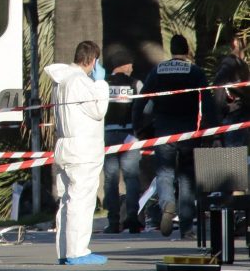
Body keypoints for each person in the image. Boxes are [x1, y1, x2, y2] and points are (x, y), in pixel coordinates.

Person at [132, 34, 216, 240]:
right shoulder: (194, 71)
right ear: (187, 50)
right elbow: (207, 100)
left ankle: (167, 203)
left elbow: (142, 100)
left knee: (164, 173)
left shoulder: (158, 71)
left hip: (163, 132)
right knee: (187, 177)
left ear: (171, 50)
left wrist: (138, 127)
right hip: (188, 132)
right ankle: (186, 228)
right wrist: (213, 130)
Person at [45, 40, 110, 266]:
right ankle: (78, 252)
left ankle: (65, 251)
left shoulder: (61, 81)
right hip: (82, 149)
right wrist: (101, 83)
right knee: (81, 201)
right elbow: (99, 109)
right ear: (92, 60)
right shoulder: (80, 81)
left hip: (65, 146)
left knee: (67, 201)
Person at [101, 51, 143, 234]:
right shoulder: (135, 84)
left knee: (110, 180)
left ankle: (113, 222)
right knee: (131, 178)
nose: (132, 67)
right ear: (124, 65)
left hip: (107, 136)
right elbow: (145, 108)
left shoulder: (102, 85)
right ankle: (132, 219)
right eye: (131, 64)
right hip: (129, 136)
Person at [213, 32, 249, 147]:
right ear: (235, 42)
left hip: (243, 117)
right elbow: (218, 88)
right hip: (232, 117)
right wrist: (217, 133)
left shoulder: (242, 64)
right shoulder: (229, 63)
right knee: (234, 160)